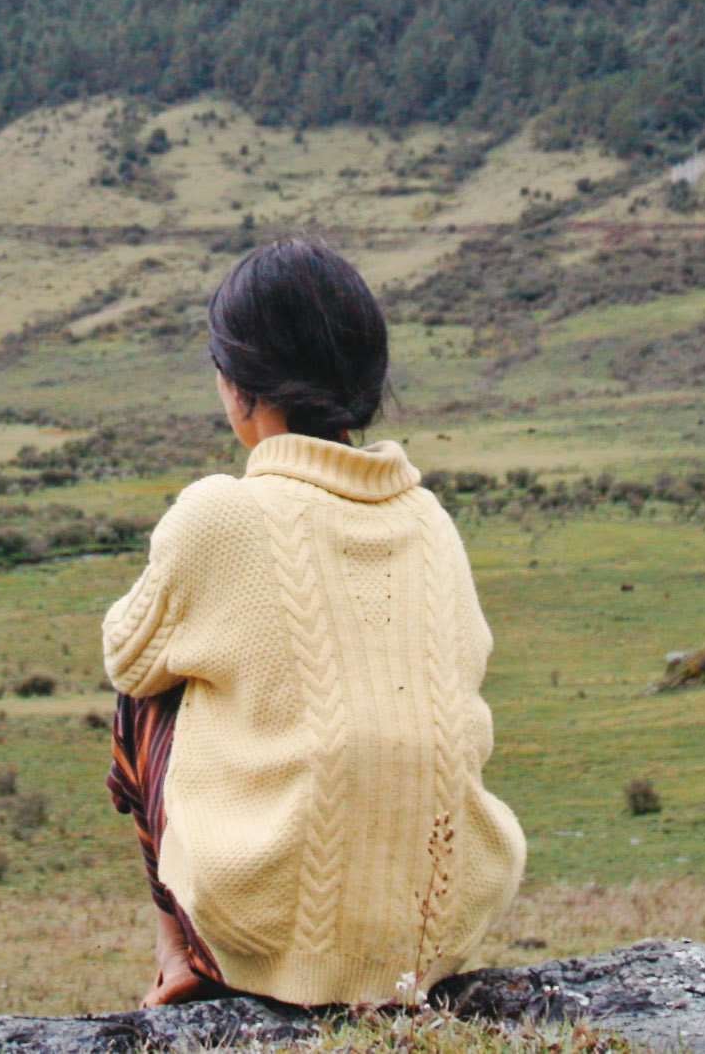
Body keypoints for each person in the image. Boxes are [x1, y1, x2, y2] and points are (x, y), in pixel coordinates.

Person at [100, 239, 526, 1008]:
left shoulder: (219, 513)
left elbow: (125, 654)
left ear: (240, 386)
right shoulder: (433, 522)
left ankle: (179, 951)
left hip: (264, 931)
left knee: (146, 694)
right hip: (432, 935)